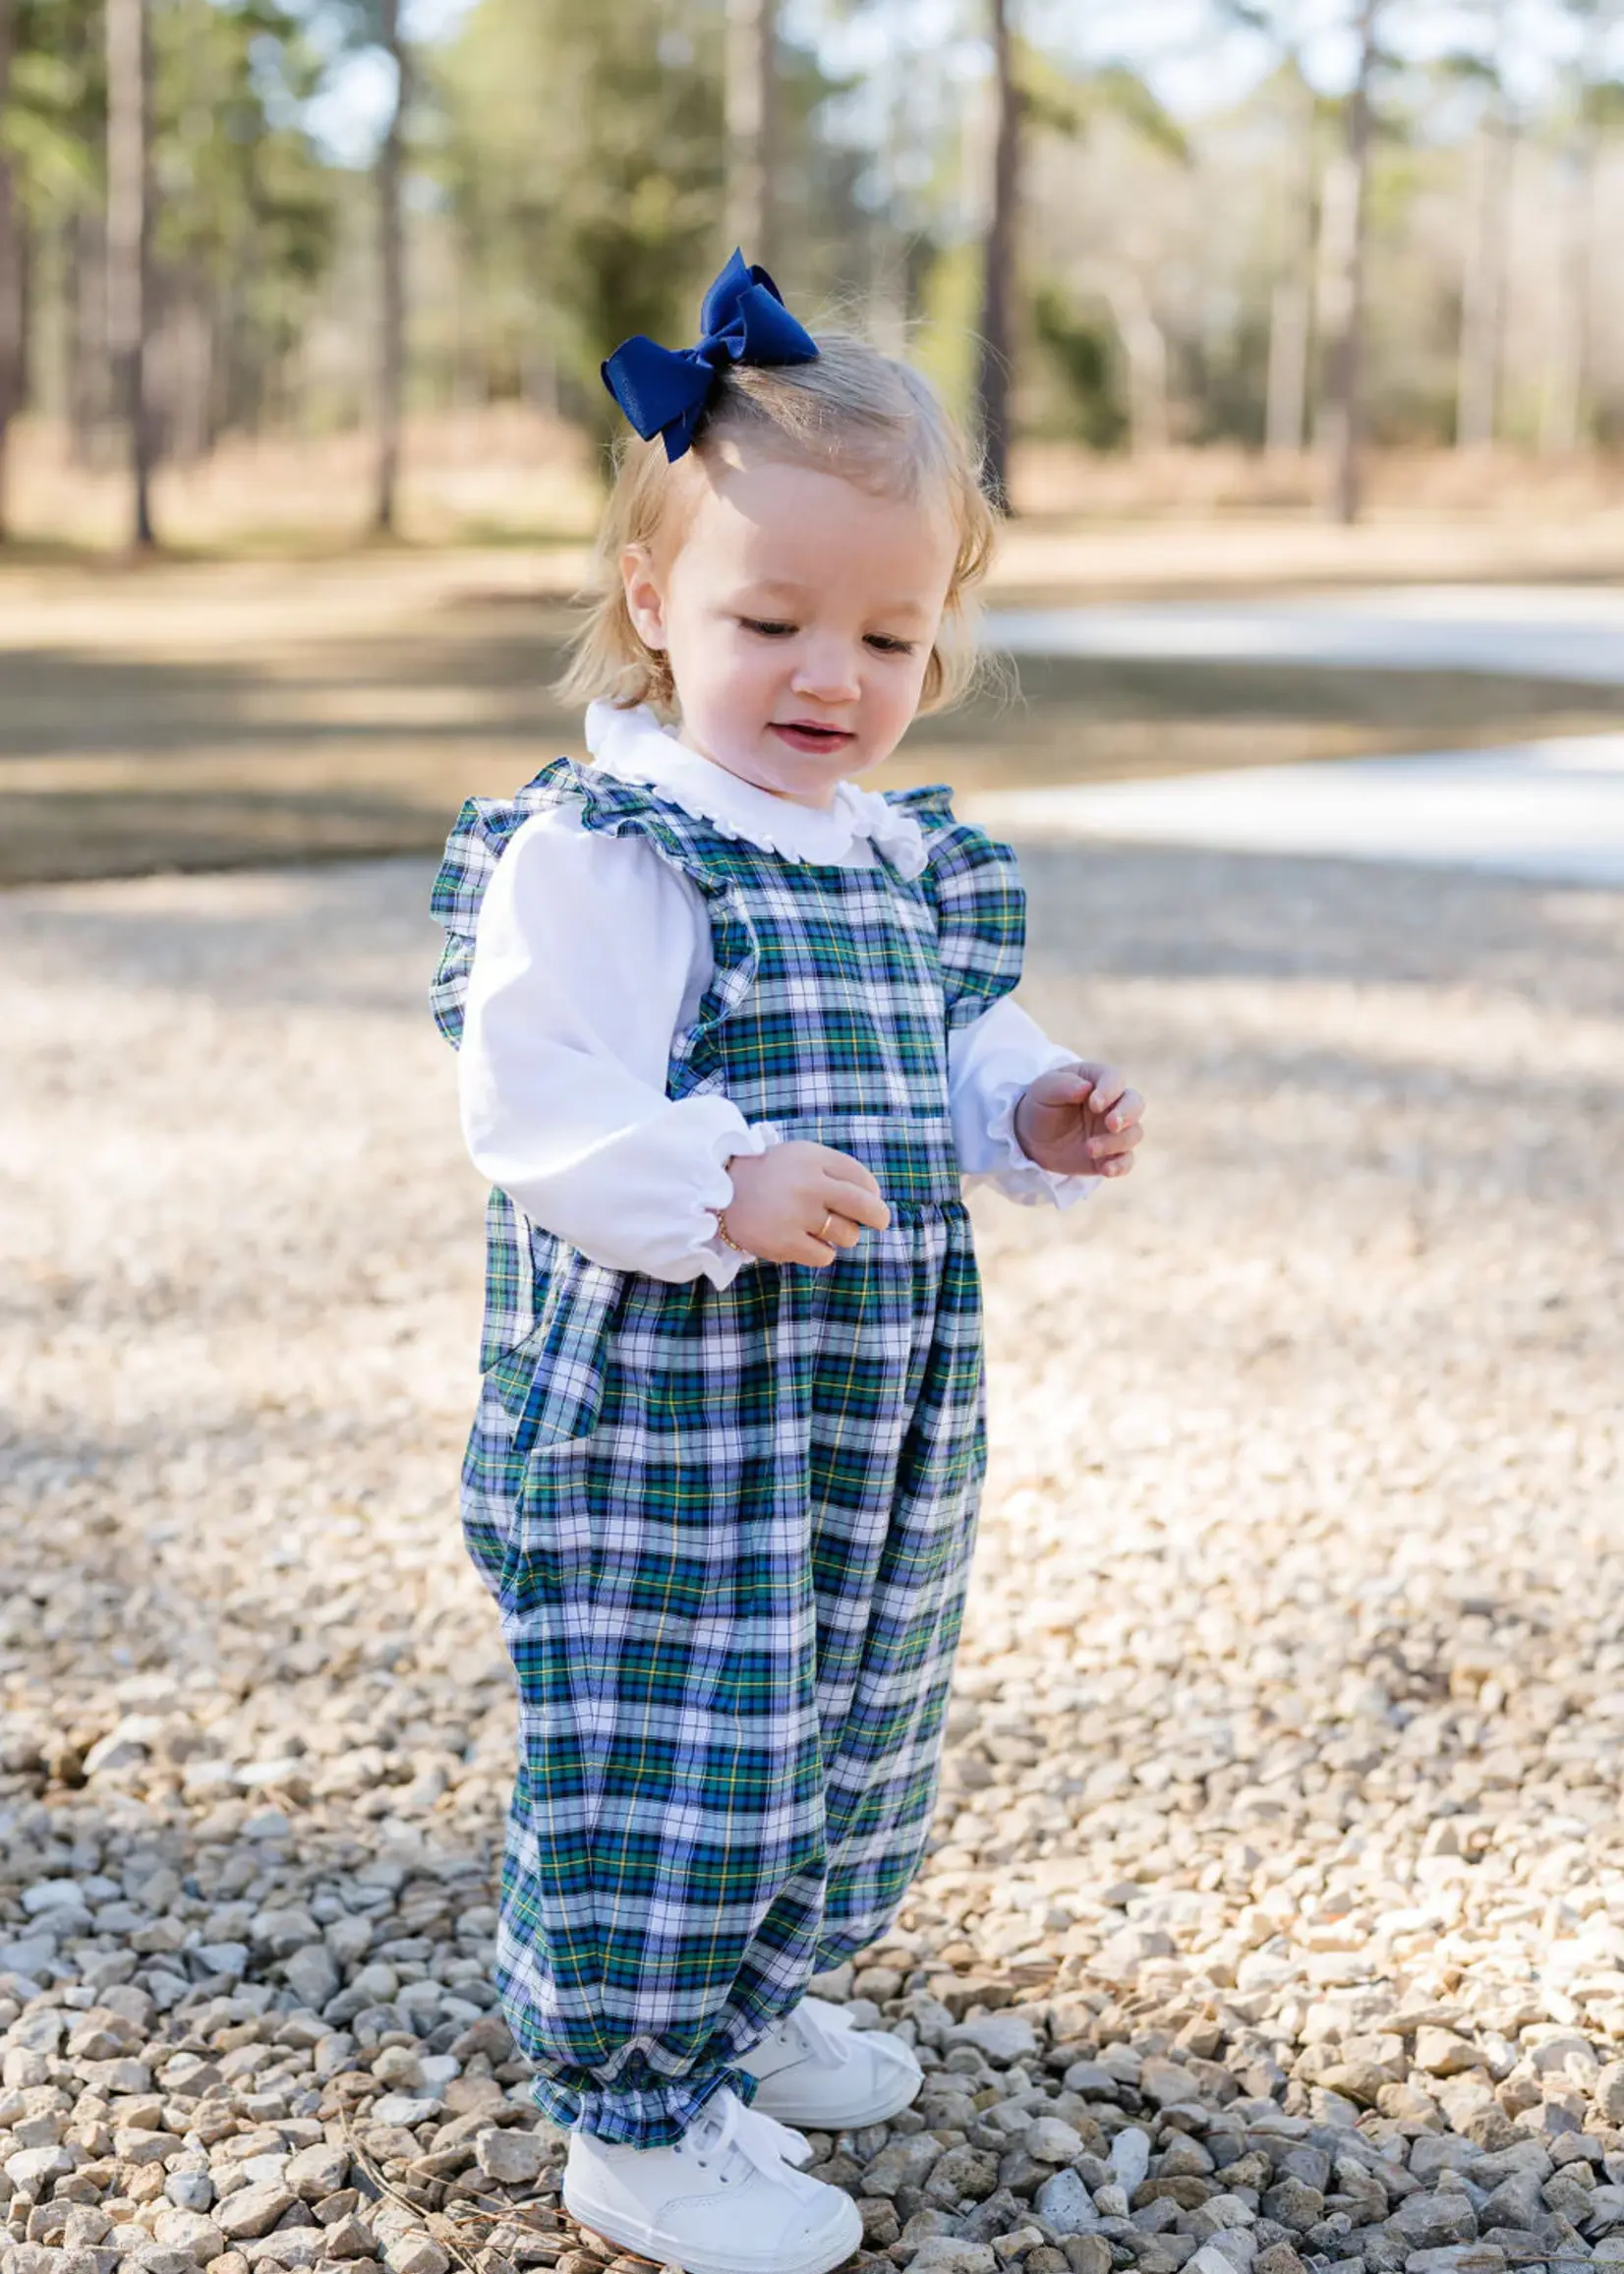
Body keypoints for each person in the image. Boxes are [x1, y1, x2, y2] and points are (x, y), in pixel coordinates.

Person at [431, 253, 1146, 2274]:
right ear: (655, 605)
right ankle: (639, 2110)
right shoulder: (615, 848)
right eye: (771, 619)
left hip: (868, 1406)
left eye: (888, 632)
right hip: (674, 1419)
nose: (831, 674)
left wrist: (1032, 1106)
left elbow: (950, 1040)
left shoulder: (889, 854)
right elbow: (539, 1099)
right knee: (679, 1737)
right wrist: (713, 1176)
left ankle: (758, 1996)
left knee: (844, 1706)